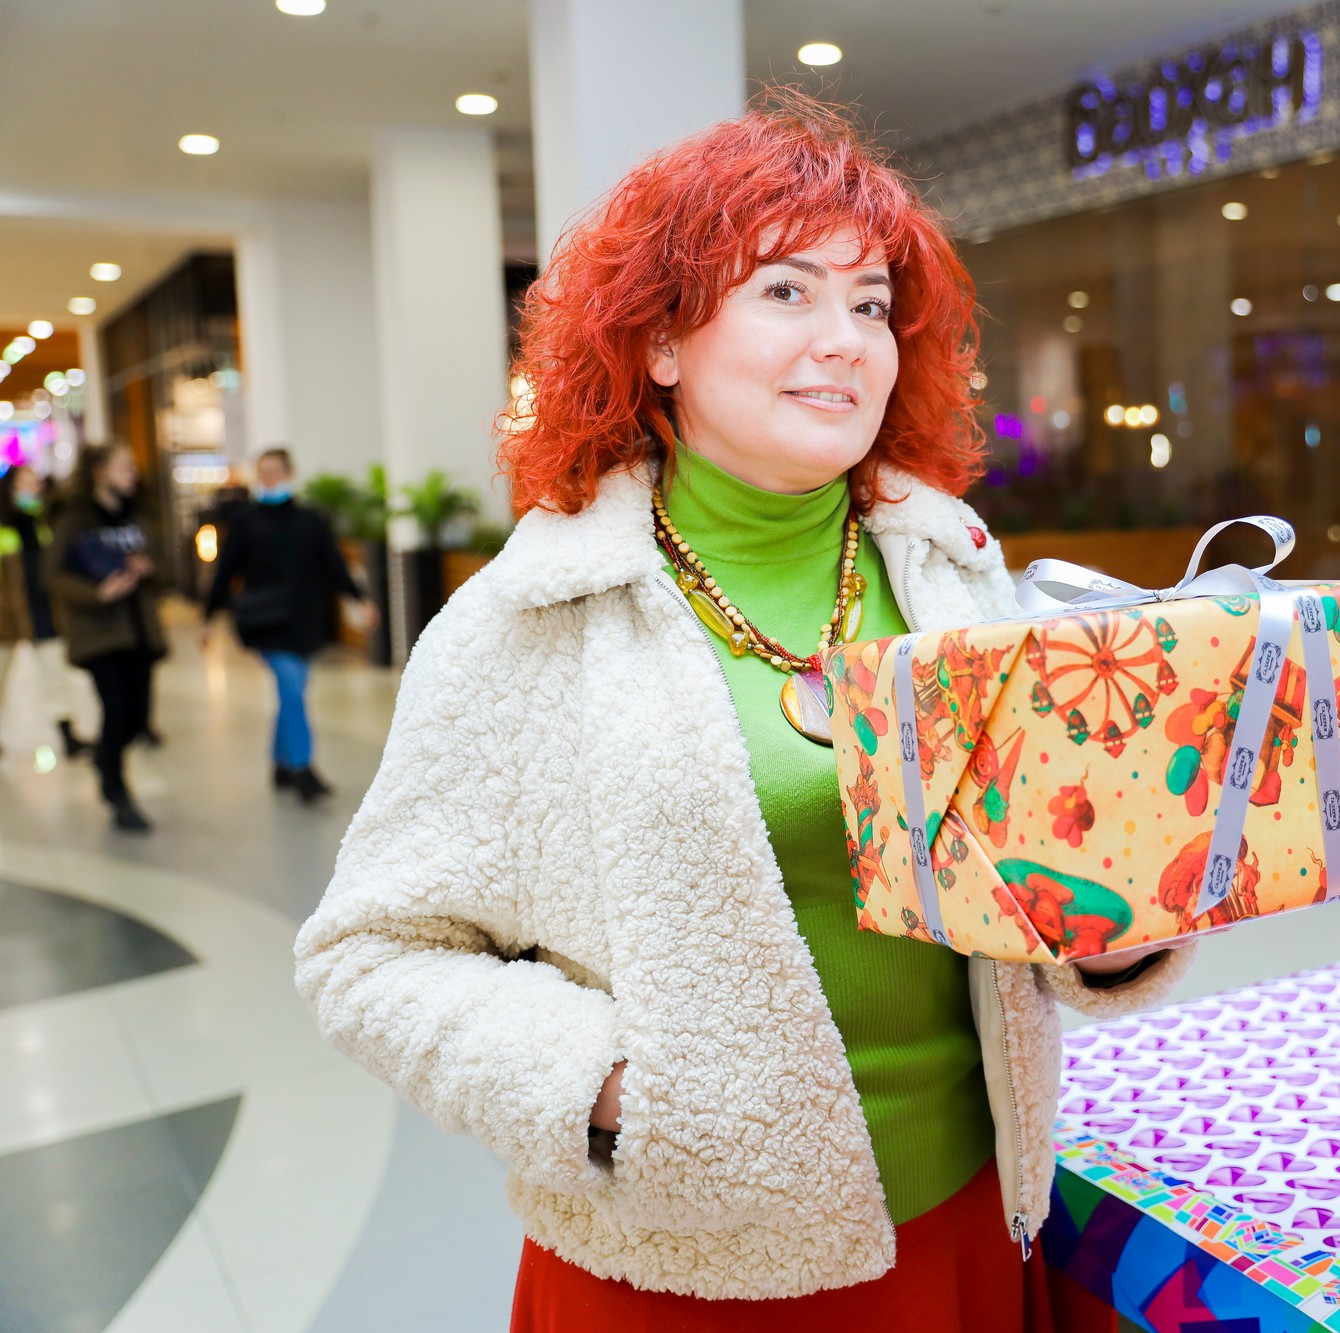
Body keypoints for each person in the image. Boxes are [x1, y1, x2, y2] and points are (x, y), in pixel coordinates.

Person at [294, 94, 1194, 1333]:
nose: (845, 340)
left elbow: (1029, 873)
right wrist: (608, 1090)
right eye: (785, 292)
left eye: (869, 303)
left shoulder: (952, 572)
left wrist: (1106, 925)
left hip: (969, 1218)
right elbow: (369, 954)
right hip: (685, 1267)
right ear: (660, 341)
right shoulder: (533, 614)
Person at [201, 447, 376, 802]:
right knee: (293, 688)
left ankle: (281, 763)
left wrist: (358, 598)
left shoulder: (311, 520)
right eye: (263, 472)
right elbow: (225, 571)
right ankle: (302, 768)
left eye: (275, 471)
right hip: (266, 622)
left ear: (289, 473)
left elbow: (334, 563)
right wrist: (209, 617)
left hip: (305, 620)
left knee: (291, 692)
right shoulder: (246, 522)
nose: (270, 478)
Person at [48, 443, 166, 832]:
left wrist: (149, 567)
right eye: (123, 466)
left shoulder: (140, 515)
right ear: (100, 472)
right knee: (116, 710)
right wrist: (98, 593)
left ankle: (104, 758)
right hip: (98, 632)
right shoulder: (76, 519)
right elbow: (53, 575)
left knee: (138, 717)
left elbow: (167, 570)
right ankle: (116, 790)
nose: (132, 473)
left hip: (140, 629)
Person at [0, 466, 92, 759]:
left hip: (44, 610)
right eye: (24, 482)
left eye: (35, 482)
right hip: (6, 617)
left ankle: (67, 734)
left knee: (56, 673)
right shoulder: (5, 524)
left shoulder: (45, 521)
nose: (32, 488)